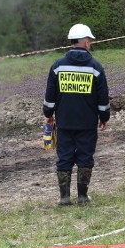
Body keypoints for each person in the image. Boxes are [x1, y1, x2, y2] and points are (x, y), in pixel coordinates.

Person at [43, 23, 110, 205]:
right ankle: (82, 196)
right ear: (86, 42)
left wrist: (48, 114)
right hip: (87, 123)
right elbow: (103, 98)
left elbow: (50, 96)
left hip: (64, 122)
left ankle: (64, 198)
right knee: (85, 157)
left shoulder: (57, 66)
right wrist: (104, 117)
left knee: (64, 158)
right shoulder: (96, 67)